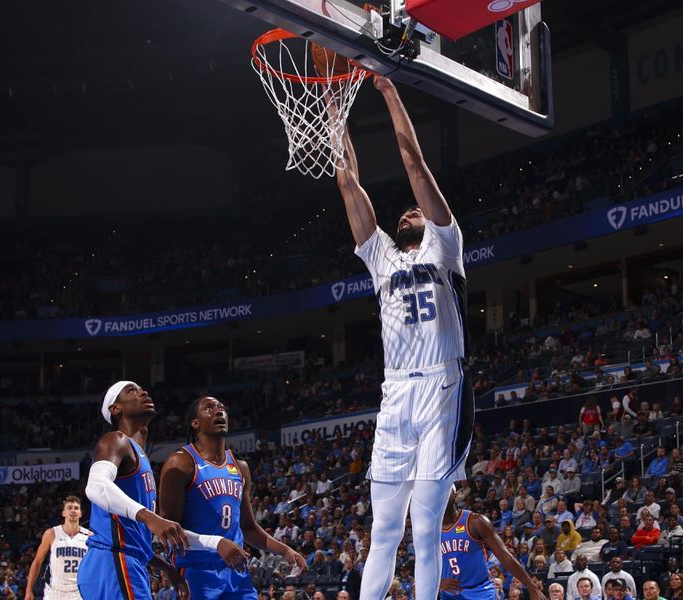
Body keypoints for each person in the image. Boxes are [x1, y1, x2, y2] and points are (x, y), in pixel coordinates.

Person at [335, 74, 473, 600]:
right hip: (396, 392)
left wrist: (389, 94)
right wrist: (334, 113)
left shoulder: (446, 246)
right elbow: (348, 180)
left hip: (443, 386)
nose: (408, 210)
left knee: (426, 529)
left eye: (414, 210)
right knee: (384, 532)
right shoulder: (381, 258)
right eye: (405, 213)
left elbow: (415, 165)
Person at [78, 382, 243, 600]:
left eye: (141, 389)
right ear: (115, 409)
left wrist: (166, 568)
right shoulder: (115, 440)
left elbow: (145, 534)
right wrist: (149, 517)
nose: (143, 392)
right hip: (113, 560)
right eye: (131, 391)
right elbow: (96, 486)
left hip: (130, 562)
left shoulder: (140, 456)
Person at [159, 395, 306, 599]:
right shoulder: (181, 463)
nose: (218, 411)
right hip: (197, 572)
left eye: (221, 408)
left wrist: (286, 550)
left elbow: (248, 528)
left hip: (237, 573)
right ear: (194, 423)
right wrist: (216, 543)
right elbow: (167, 531)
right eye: (209, 408)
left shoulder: (240, 467)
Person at [439, 491, 548, 600]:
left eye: (446, 491)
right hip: (450, 594)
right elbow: (422, 564)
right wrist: (438, 582)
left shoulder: (475, 521)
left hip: (481, 591)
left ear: (455, 495)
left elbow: (506, 556)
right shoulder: (429, 531)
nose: (441, 495)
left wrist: (532, 588)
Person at [25, 496, 91, 600]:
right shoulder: (51, 533)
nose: (73, 510)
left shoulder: (89, 536)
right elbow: (37, 562)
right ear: (63, 513)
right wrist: (29, 590)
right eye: (69, 508)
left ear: (80, 513)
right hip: (55, 592)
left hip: (79, 593)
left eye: (76, 508)